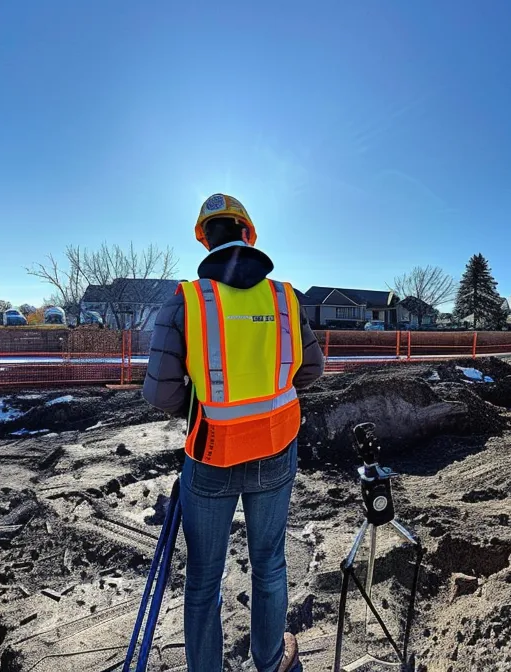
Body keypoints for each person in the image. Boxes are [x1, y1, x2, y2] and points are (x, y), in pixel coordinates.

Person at [144, 193, 324, 672]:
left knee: (204, 577)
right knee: (269, 564)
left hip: (210, 457)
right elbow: (311, 370)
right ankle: (270, 662)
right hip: (275, 450)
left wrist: (206, 410)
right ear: (248, 234)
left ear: (205, 241)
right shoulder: (286, 298)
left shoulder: (185, 302)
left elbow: (160, 393)